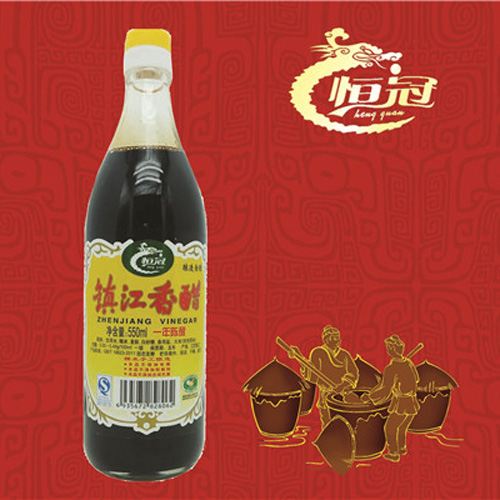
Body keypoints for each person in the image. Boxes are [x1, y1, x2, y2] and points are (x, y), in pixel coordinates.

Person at [368, 334, 420, 462]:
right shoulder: (408, 363)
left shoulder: (391, 368)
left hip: (401, 402)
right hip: (412, 401)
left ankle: (393, 453)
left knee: (390, 428)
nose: (387, 350)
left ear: (392, 349)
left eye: (388, 347)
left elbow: (386, 390)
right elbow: (417, 379)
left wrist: (371, 398)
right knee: (401, 427)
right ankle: (402, 448)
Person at [301, 326, 359, 427]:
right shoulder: (318, 353)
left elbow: (353, 372)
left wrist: (342, 385)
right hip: (326, 394)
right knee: (327, 423)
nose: (338, 340)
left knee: (343, 423)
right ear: (326, 339)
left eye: (338, 337)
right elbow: (313, 376)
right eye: (334, 337)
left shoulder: (344, 354)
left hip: (342, 395)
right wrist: (303, 363)